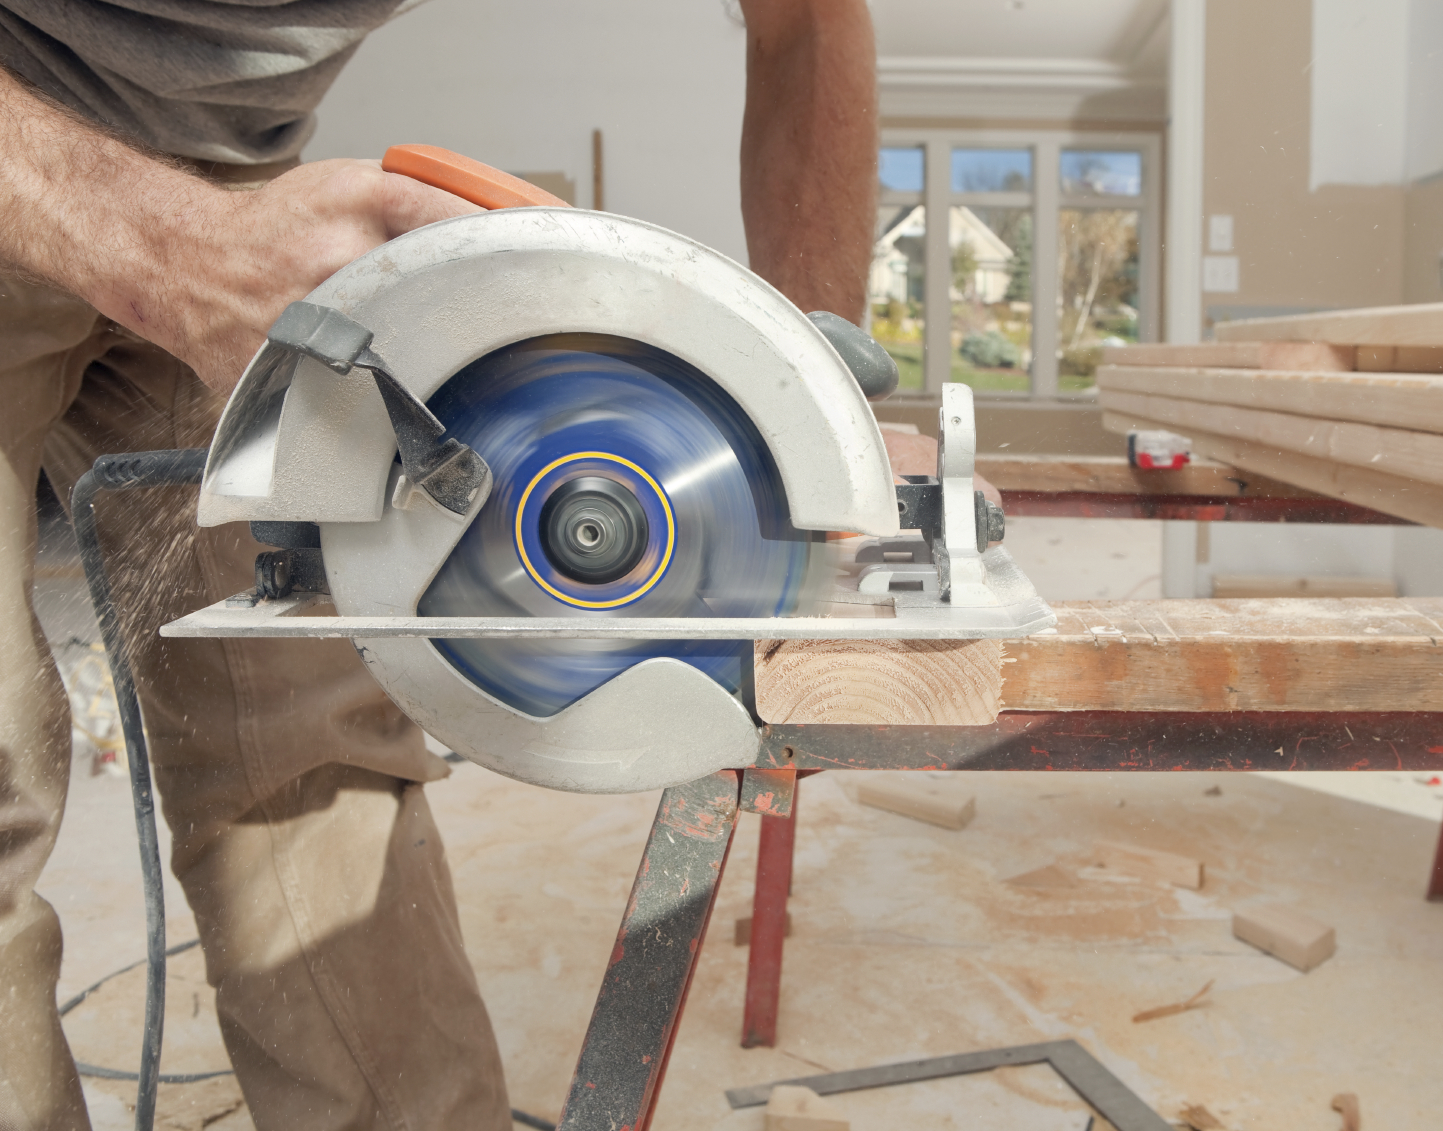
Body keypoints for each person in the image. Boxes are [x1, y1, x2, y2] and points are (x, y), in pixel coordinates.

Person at [0, 3, 877, 1128]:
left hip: (232, 182)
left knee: (307, 756)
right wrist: (164, 249)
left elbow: (806, 24)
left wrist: (805, 398)